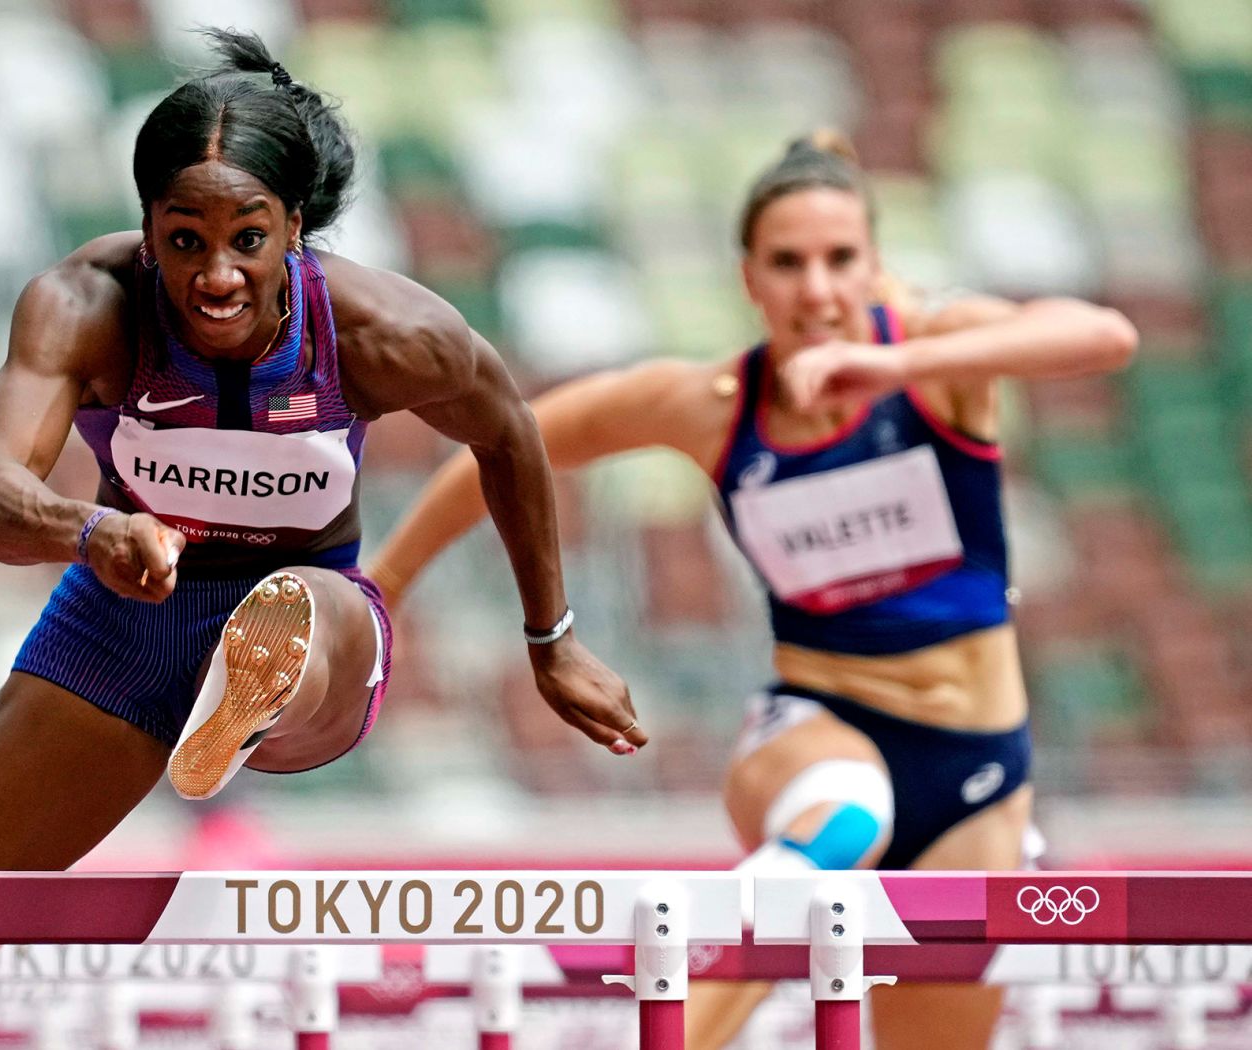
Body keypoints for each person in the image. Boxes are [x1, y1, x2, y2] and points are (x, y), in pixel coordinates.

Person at [0, 29, 641, 1023]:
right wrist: (90, 531)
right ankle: (181, 725)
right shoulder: (86, 306)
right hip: (123, 621)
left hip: (319, 622)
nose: (216, 275)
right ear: (147, 226)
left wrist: (549, 641)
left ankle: (251, 690)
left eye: (246, 241)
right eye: (184, 240)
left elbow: (509, 433)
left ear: (294, 228)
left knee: (298, 607)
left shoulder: (386, 332)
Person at [368, 132, 1137, 1050]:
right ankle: (677, 1003)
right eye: (788, 263)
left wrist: (886, 369)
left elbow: (1105, 336)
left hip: (979, 776)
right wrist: (388, 583)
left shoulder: (939, 360)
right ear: (748, 279)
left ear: (875, 266)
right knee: (851, 814)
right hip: (817, 730)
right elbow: (512, 436)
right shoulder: (717, 403)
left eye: (840, 260)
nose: (816, 289)